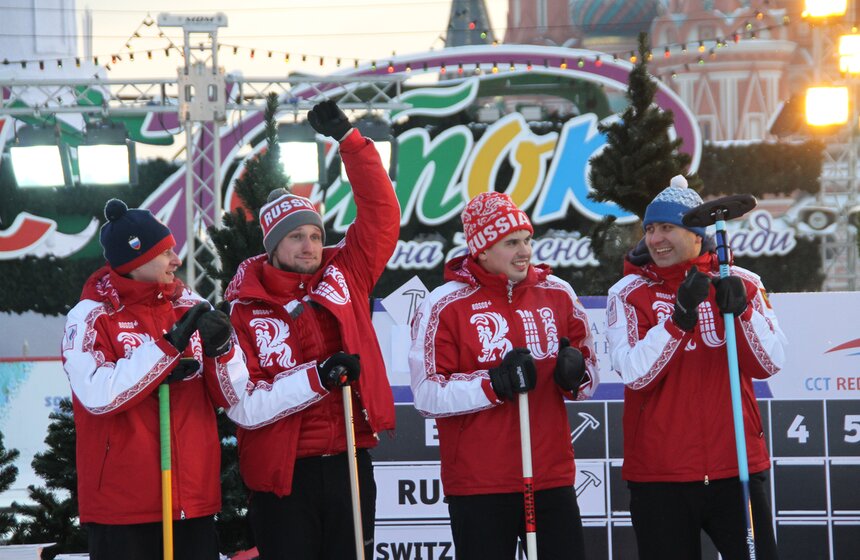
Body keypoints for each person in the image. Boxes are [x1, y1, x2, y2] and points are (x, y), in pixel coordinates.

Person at [62, 198, 323, 559]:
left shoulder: (189, 303)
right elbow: (98, 395)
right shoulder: (91, 315)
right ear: (135, 259)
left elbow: (233, 397)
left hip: (191, 500)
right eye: (165, 252)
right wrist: (166, 350)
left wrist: (222, 351)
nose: (177, 260)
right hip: (123, 506)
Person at [224, 100, 398, 559]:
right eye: (297, 237)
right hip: (284, 474)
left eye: (317, 235)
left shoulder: (347, 272)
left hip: (349, 462)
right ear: (272, 246)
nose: (310, 245)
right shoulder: (244, 309)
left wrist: (351, 143)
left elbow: (381, 215)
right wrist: (316, 378)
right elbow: (243, 401)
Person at [409, 191, 599, 560]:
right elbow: (426, 393)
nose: (524, 251)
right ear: (480, 250)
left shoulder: (557, 293)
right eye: (511, 243)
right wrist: (492, 384)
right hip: (480, 484)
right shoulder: (445, 303)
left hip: (549, 477)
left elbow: (588, 371)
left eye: (527, 240)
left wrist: (576, 375)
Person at [605, 175, 788, 560]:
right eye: (650, 229)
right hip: (661, 474)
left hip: (734, 465)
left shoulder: (743, 282)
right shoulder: (627, 293)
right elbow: (635, 374)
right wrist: (678, 319)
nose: (655, 239)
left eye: (667, 227)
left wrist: (741, 314)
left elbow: (770, 363)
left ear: (696, 233)